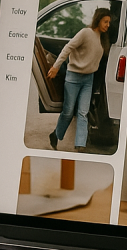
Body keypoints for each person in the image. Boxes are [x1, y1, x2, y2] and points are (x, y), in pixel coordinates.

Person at [48, 8, 112, 151]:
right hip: (73, 77)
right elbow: (67, 48)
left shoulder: (102, 38)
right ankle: (55, 135)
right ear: (98, 19)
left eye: (109, 22)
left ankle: (80, 145)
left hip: (88, 80)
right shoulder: (85, 33)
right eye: (105, 21)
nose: (108, 25)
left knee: (83, 112)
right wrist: (56, 67)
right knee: (68, 112)